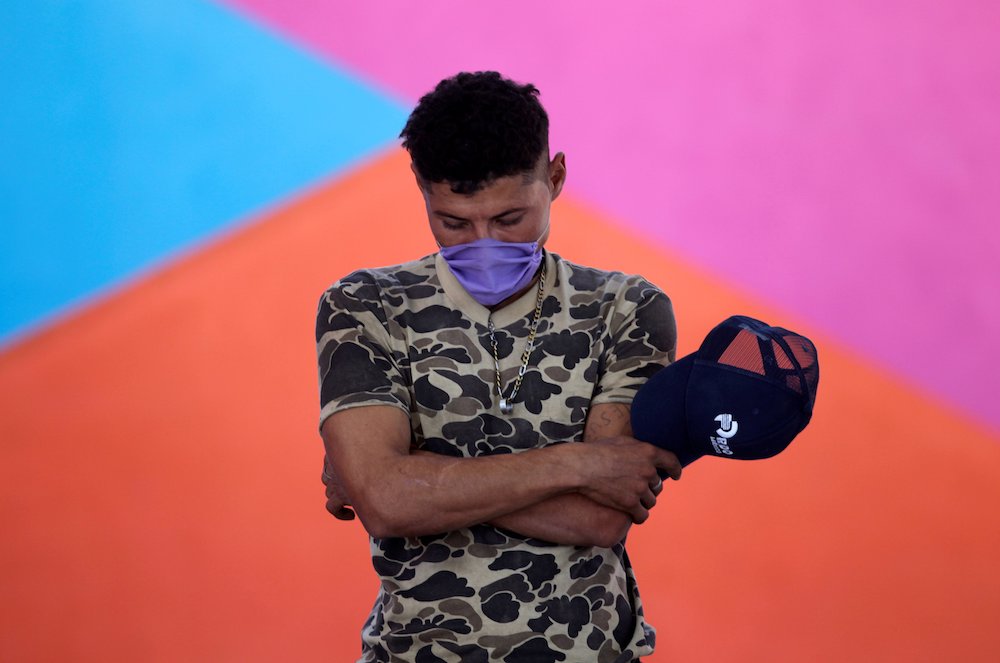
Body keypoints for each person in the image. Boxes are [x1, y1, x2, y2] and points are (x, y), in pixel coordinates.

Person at [316, 71, 681, 663]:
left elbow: (598, 518)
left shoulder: (627, 308)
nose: (484, 243)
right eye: (454, 223)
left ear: (555, 177)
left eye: (509, 219)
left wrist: (406, 477)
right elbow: (385, 502)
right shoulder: (365, 304)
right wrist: (578, 463)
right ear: (420, 187)